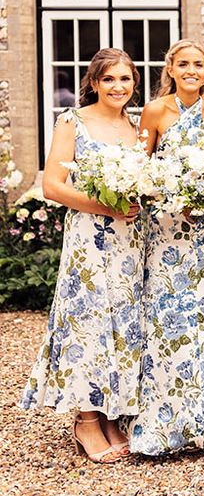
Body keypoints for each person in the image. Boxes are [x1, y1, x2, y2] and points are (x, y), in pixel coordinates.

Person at [20, 49, 144, 463]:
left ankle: (111, 415)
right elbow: (53, 185)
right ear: (93, 82)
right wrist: (104, 206)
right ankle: (87, 420)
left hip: (132, 242)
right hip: (91, 238)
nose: (118, 87)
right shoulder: (73, 122)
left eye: (125, 79)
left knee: (123, 326)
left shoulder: (138, 124)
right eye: (109, 79)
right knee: (88, 322)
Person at [129, 39, 204, 456]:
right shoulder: (155, 112)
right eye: (183, 64)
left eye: (198, 65)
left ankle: (197, 427)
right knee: (166, 322)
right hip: (166, 231)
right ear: (170, 68)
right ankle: (158, 425)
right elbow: (140, 168)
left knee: (202, 328)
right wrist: (172, 197)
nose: (191, 70)